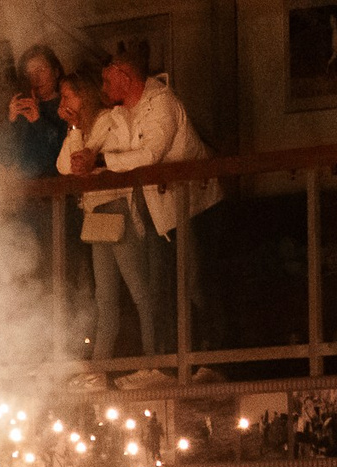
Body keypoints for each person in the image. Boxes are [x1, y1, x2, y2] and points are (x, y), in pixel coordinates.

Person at [88, 45, 223, 384]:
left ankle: (214, 363)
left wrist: (102, 163)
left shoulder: (162, 102)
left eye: (108, 78)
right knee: (162, 287)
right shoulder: (123, 113)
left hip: (190, 206)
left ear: (126, 75)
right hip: (156, 211)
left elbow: (149, 153)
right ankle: (167, 367)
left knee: (194, 284)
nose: (103, 87)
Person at [59, 72, 164, 383]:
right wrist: (75, 129)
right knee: (104, 298)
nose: (64, 103)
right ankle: (98, 370)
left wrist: (91, 160)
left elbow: (102, 159)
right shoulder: (79, 129)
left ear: (84, 96)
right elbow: (66, 166)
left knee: (139, 290)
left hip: (117, 208)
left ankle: (153, 363)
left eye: (68, 96)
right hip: (95, 214)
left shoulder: (110, 120)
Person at [3, 45, 70, 177]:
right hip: (28, 190)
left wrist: (38, 121)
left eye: (41, 70)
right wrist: (11, 121)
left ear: (56, 72)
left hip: (62, 186)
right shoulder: (22, 110)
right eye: (29, 74)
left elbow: (63, 155)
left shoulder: (68, 105)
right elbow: (4, 158)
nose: (36, 79)